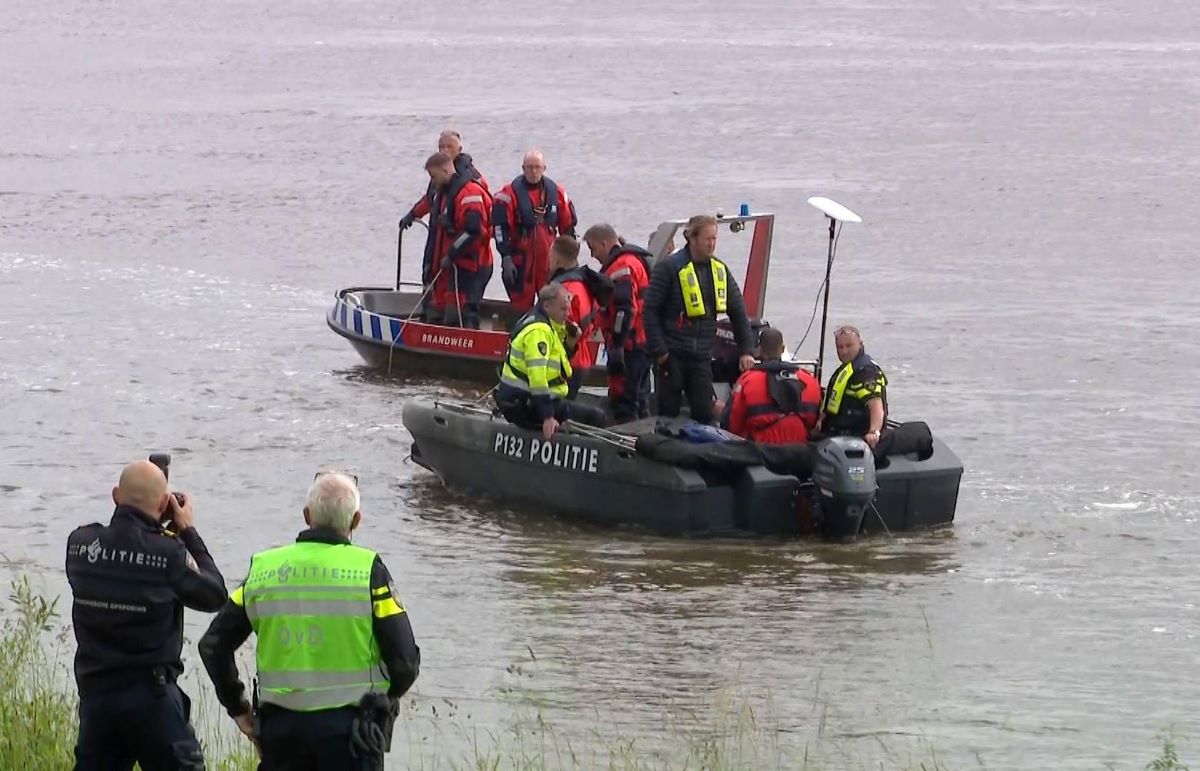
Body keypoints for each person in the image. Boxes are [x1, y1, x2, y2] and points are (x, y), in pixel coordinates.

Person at [198, 471, 421, 771]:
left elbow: (213, 645)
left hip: (281, 734)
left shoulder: (265, 570)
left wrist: (240, 710)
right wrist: (383, 705)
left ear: (306, 516)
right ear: (356, 521)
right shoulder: (369, 572)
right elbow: (405, 663)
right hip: (352, 735)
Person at [66, 459, 227, 771]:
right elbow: (214, 595)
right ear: (166, 502)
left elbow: (124, 557)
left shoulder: (80, 545)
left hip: (97, 698)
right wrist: (186, 531)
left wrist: (156, 531)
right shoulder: (168, 554)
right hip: (151, 699)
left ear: (115, 496)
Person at [642, 214, 755, 424]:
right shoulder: (668, 268)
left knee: (704, 413)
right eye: (707, 238)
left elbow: (738, 312)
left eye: (714, 238)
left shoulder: (719, 270)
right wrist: (660, 352)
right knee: (667, 414)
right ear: (692, 238)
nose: (712, 244)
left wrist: (746, 350)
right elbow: (649, 311)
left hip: (701, 357)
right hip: (671, 356)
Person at [398, 131, 490, 321]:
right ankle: (432, 335)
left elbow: (475, 230)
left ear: (460, 149)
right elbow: (429, 200)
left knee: (461, 310)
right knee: (436, 304)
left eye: (449, 147)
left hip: (467, 259)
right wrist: (413, 214)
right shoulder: (441, 186)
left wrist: (452, 253)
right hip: (443, 250)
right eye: (442, 147)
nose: (445, 151)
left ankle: (464, 341)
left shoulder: (470, 186)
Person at [496, 282, 607, 439]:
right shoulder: (539, 331)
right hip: (525, 405)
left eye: (568, 309)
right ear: (547, 306)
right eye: (563, 309)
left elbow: (554, 368)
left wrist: (570, 343)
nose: (568, 314)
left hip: (523, 400)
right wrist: (547, 416)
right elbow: (538, 379)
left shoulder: (538, 321)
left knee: (578, 409)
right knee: (596, 417)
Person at [583, 223, 655, 422]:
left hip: (630, 345)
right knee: (639, 397)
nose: (592, 255)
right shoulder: (632, 261)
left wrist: (617, 344)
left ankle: (626, 445)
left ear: (604, 243)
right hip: (642, 342)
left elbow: (625, 310)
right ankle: (642, 437)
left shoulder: (621, 267)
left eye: (593, 248)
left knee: (624, 400)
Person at [492, 150, 578, 312]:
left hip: (549, 263)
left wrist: (571, 260)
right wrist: (506, 257)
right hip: (521, 262)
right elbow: (500, 230)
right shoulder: (507, 195)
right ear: (523, 168)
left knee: (554, 305)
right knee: (520, 308)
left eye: (537, 167)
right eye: (530, 167)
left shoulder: (557, 193)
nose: (533, 171)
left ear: (544, 168)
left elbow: (567, 228)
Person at [423, 151, 493, 328]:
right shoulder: (445, 194)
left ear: (446, 170)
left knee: (463, 313)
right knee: (442, 312)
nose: (433, 181)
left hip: (473, 265)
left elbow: (473, 231)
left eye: (434, 176)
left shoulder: (469, 194)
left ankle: (471, 349)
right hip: (453, 267)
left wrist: (451, 254)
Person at [721, 327, 822, 444]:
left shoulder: (747, 380)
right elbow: (815, 423)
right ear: (783, 349)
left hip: (761, 451)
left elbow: (732, 424)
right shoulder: (809, 380)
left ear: (759, 350)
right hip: (799, 451)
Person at [547, 235, 604, 399]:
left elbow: (562, 328)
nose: (549, 261)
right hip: (582, 356)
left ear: (557, 259)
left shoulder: (563, 290)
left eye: (551, 257)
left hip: (568, 360)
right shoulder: (583, 282)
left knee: (559, 408)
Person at [817, 325, 889, 448]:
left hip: (855, 439)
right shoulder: (847, 368)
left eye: (849, 346)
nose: (844, 351)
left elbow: (876, 406)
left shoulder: (866, 371)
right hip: (835, 434)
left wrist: (874, 432)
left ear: (860, 344)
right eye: (840, 347)